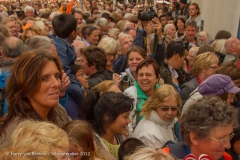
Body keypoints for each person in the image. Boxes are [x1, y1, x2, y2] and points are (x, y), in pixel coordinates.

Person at [0, 50, 70, 149]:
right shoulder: (18, 135)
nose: (56, 84)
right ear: (26, 85)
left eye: (57, 76)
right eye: (45, 78)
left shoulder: (58, 110)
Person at [162, 96, 237, 160]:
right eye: (222, 139)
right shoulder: (163, 157)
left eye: (229, 136)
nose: (228, 145)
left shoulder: (225, 158)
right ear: (195, 138)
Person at [133, 84, 181, 149]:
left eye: (174, 108)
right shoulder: (150, 135)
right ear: (154, 106)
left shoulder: (168, 123)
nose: (170, 113)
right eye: (164, 108)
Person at [52, 14, 83, 109]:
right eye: (77, 29)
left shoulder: (62, 42)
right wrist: (79, 86)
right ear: (72, 32)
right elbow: (64, 68)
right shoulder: (60, 47)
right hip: (67, 81)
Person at [91, 92, 133, 159]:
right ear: (107, 116)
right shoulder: (92, 145)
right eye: (125, 117)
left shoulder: (122, 136)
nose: (129, 121)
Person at [124, 57, 160, 134]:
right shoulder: (130, 94)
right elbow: (126, 126)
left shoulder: (162, 95)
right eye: (140, 75)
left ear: (157, 78)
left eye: (148, 75)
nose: (144, 78)